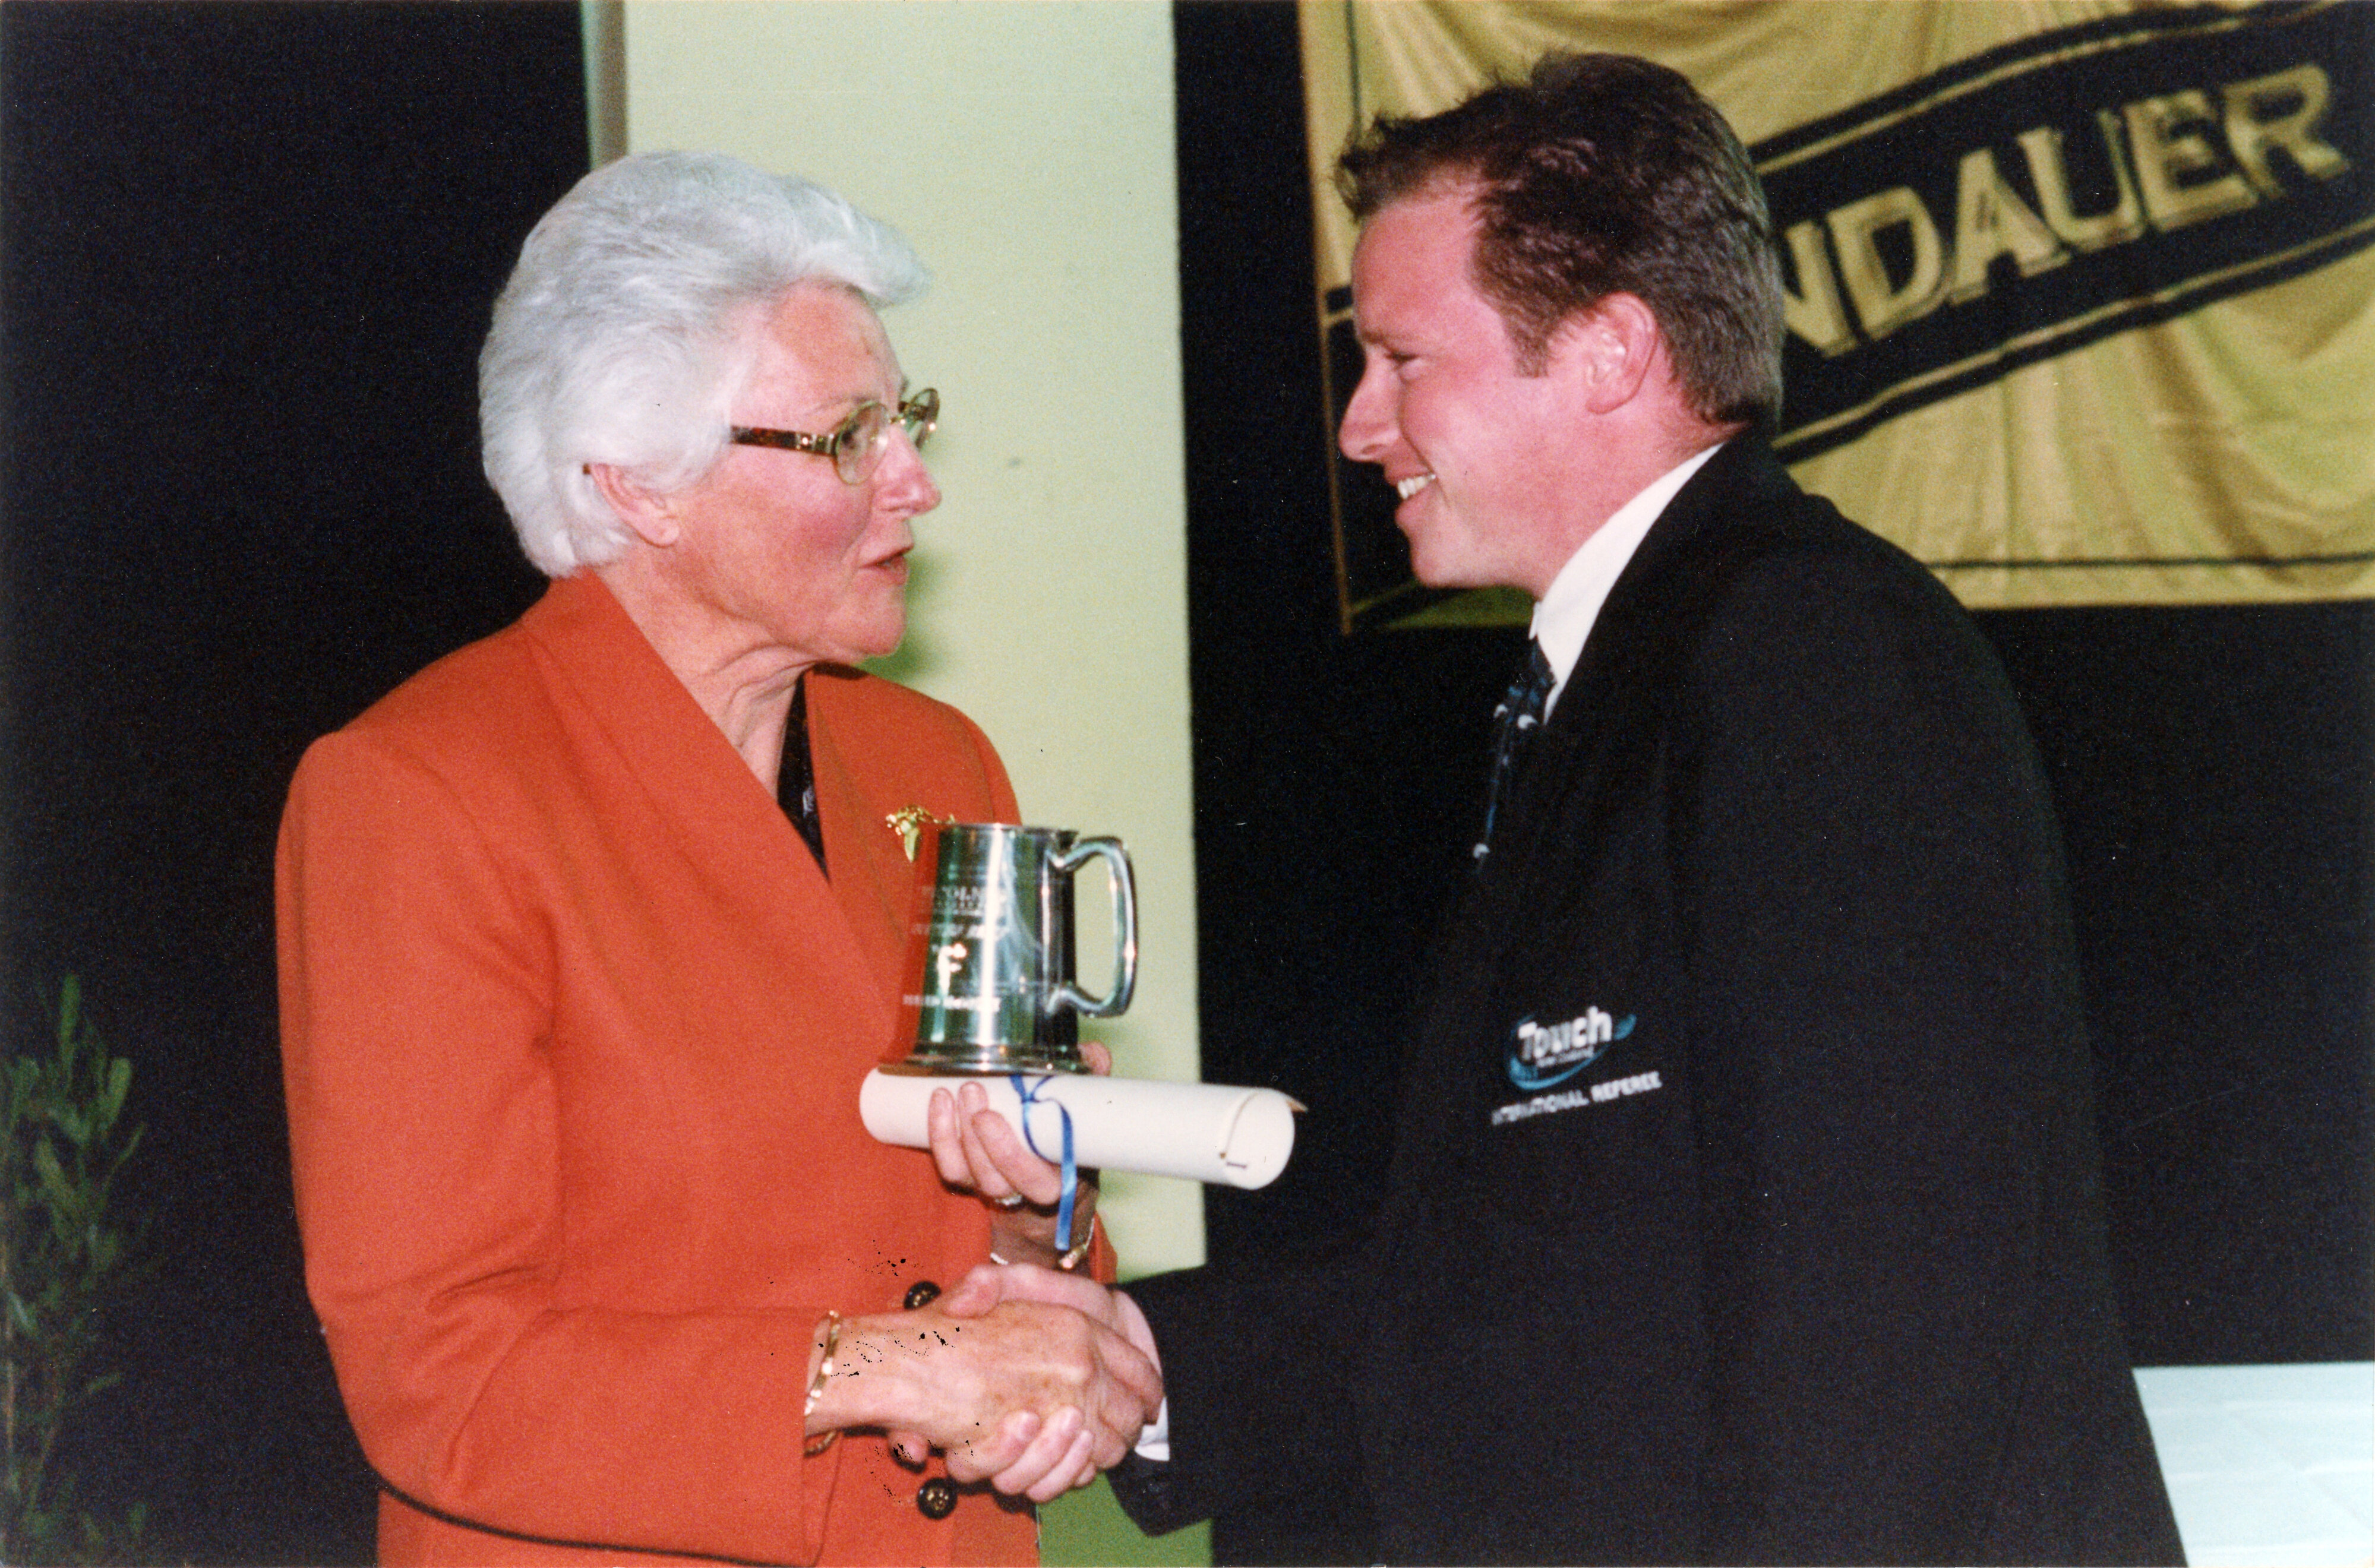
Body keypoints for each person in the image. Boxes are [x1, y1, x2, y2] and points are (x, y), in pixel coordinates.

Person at [943, 52, 2185, 1566]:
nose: (1357, 425)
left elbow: (1887, 1309)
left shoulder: (1807, 657)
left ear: (1607, 353)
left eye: (1404, 361)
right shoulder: (1640, 673)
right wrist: (1142, 1363)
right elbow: (1543, 1273)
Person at [275, 151, 1158, 1567]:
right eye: (847, 437)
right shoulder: (420, 795)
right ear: (639, 489)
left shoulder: (944, 766)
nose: (917, 482)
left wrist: (1043, 1250)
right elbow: (437, 1372)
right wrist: (899, 1369)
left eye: (906, 419)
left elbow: (1020, 1260)